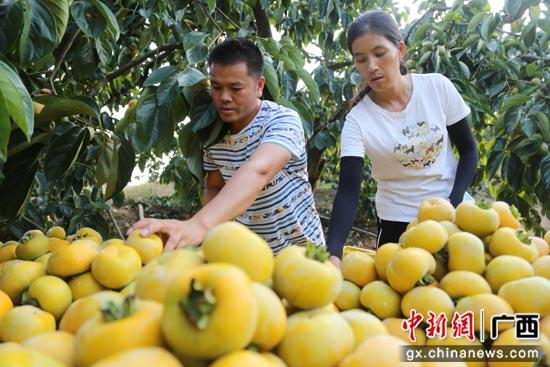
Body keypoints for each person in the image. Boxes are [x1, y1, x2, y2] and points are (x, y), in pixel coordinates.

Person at [129, 38, 325, 254]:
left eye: (235, 88)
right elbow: (214, 185)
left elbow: (259, 170)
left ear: (259, 86)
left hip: (303, 255)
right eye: (216, 87)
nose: (224, 97)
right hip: (249, 260)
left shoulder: (282, 121)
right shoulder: (213, 132)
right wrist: (216, 235)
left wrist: (200, 224)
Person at [326, 10, 478, 262]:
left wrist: (454, 202)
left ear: (400, 50)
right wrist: (334, 253)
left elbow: (469, 151)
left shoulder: (437, 87)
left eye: (379, 53)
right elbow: (348, 191)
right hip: (398, 223)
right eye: (361, 59)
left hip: (451, 214)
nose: (372, 67)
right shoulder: (358, 120)